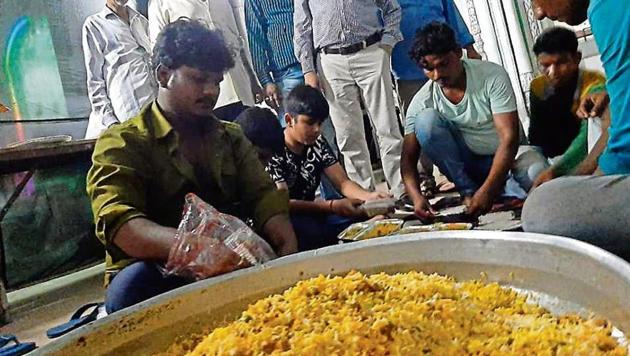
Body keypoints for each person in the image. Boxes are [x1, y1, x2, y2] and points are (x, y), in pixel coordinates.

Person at [86, 20, 298, 313]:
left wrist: (285, 251)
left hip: (226, 263)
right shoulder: (122, 143)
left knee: (303, 231)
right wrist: (195, 249)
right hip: (161, 273)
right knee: (130, 287)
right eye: (199, 79)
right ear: (163, 75)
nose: (211, 91)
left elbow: (263, 197)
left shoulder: (231, 137)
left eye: (216, 82)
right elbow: (122, 225)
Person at [522, 0, 630, 260]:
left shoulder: (608, 7)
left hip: (593, 159)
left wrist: (585, 177)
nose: (538, 13)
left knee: (542, 208)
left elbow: (624, 145)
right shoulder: (540, 88)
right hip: (569, 157)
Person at [401, 22, 543, 218]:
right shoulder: (422, 101)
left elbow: (509, 139)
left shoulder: (491, 75)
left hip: (510, 158)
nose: (437, 75)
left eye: (443, 64)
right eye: (429, 69)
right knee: (425, 121)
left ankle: (498, 191)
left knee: (538, 176)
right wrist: (416, 198)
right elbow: (407, 161)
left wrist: (488, 191)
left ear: (458, 53)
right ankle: (468, 192)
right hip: (470, 169)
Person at [236, 86, 389, 250]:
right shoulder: (272, 148)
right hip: (289, 217)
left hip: (314, 211)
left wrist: (369, 198)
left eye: (320, 123)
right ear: (289, 120)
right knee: (308, 230)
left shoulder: (317, 143)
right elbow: (282, 202)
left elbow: (343, 183)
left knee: (360, 213)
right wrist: (330, 206)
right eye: (309, 123)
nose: (317, 129)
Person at [294, 0, 405, 198]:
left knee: (387, 126)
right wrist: (308, 70)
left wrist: (386, 45)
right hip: (330, 61)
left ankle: (402, 192)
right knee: (348, 136)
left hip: (371, 51)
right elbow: (302, 26)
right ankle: (366, 200)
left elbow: (392, 8)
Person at [394, 0, 482, 196]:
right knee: (418, 125)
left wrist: (469, 46)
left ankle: (459, 172)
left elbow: (452, 14)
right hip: (405, 66)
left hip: (445, 61)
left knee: (454, 116)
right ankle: (424, 179)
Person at [148, 0, 261, 121]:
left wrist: (254, 80)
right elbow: (160, 54)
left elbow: (239, 40)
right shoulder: (161, 3)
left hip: (241, 88)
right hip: (205, 102)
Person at [528, 27, 607, 188]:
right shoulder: (538, 86)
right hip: (551, 159)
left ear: (576, 58)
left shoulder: (594, 84)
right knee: (531, 168)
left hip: (583, 155)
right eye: (545, 65)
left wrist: (557, 169)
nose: (552, 72)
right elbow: (536, 135)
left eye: (560, 63)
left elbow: (585, 137)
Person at [82, 0, 157, 139]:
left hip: (154, 113)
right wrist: (112, 124)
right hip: (126, 118)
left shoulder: (142, 21)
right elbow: (95, 82)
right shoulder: (94, 25)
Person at [245, 0, 303, 122]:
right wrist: (265, 80)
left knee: (336, 126)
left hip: (320, 60)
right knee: (293, 128)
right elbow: (255, 37)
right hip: (287, 70)